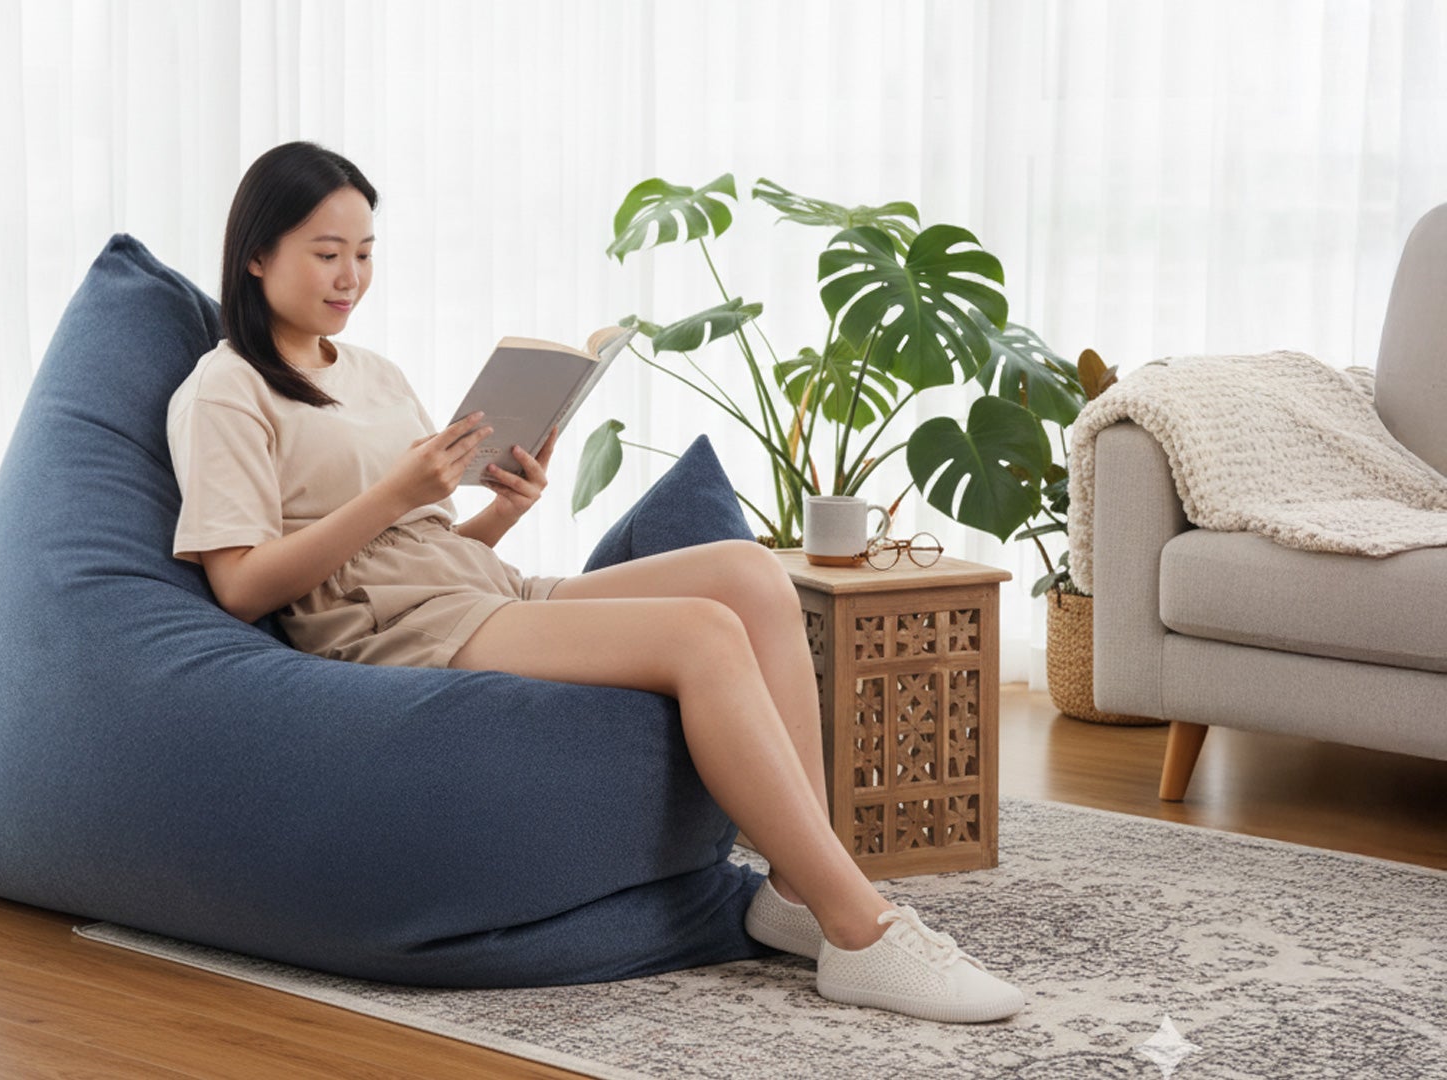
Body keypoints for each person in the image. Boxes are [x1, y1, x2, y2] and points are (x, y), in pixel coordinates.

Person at [166, 140, 1027, 1024]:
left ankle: (797, 896)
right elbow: (240, 587)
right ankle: (862, 930)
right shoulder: (227, 392)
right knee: (700, 634)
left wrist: (505, 506)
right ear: (257, 254)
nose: (350, 277)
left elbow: (426, 537)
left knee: (747, 573)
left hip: (477, 585)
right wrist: (396, 490)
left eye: (365, 253)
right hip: (396, 628)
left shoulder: (374, 374)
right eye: (325, 253)